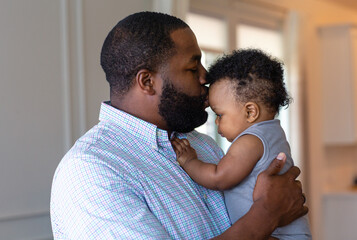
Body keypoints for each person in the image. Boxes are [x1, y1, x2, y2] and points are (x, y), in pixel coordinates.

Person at [50, 12, 308, 239]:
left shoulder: (202, 145)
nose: (206, 77)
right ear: (147, 82)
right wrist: (267, 215)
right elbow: (266, 214)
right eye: (192, 67)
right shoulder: (93, 169)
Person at [171, 49, 311, 239]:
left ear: (250, 112)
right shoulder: (272, 132)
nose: (216, 122)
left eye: (219, 115)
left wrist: (189, 161)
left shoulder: (250, 141)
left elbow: (219, 178)